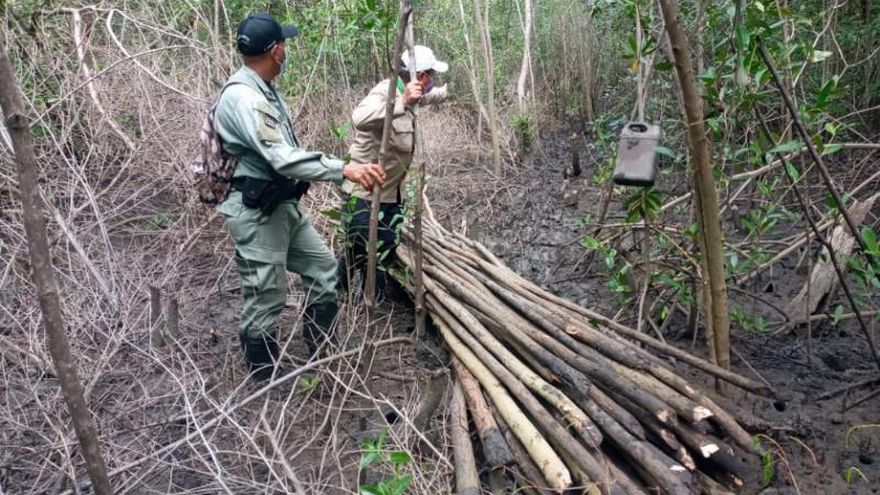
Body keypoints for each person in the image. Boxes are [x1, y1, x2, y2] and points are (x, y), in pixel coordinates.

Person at [215, 13, 384, 379]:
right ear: (275, 51)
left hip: (281, 205)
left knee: (323, 269)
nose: (286, 51)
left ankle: (323, 353)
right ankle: (264, 378)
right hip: (257, 212)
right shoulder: (245, 98)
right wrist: (343, 169)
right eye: (284, 44)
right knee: (266, 294)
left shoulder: (262, 89)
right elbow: (281, 157)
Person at [337, 45, 449, 300]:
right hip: (364, 193)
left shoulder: (414, 93)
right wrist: (401, 102)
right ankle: (345, 295)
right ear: (421, 75)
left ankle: (369, 297)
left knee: (384, 248)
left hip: (391, 194)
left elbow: (429, 97)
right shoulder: (386, 91)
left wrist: (443, 92)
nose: (432, 80)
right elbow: (359, 117)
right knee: (359, 248)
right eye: (431, 75)